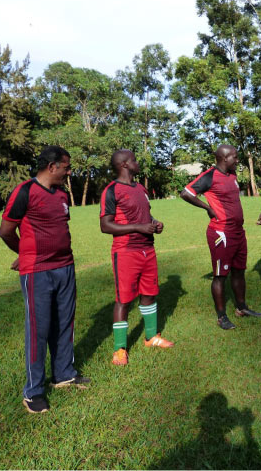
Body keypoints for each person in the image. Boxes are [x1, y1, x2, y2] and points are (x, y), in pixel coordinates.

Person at [0, 145, 90, 414]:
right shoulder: (25, 191)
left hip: (65, 267)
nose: (69, 171)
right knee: (38, 330)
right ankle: (33, 391)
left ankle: (63, 374)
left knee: (64, 322)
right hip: (37, 272)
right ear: (52, 167)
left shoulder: (62, 194)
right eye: (66, 167)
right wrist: (25, 253)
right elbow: (5, 231)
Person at [100, 150, 174, 366]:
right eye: (134, 159)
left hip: (147, 250)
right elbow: (105, 225)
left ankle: (151, 337)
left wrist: (154, 222)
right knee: (124, 299)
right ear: (124, 164)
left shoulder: (140, 188)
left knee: (149, 293)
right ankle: (120, 349)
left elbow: (144, 215)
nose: (137, 162)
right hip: (126, 251)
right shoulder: (111, 190)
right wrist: (139, 227)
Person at [180, 144, 261, 330]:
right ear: (224, 158)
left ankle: (241, 307)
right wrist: (207, 208)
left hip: (238, 232)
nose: (237, 159)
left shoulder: (232, 175)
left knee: (239, 271)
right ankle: (221, 316)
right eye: (235, 157)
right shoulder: (210, 176)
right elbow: (186, 193)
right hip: (221, 233)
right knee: (220, 276)